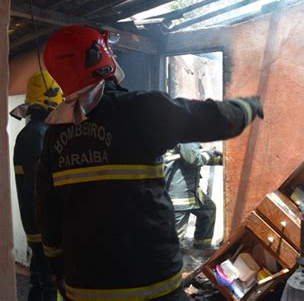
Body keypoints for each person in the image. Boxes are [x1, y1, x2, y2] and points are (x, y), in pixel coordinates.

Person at [35, 25, 264, 300]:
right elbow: (212, 118)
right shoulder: (139, 109)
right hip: (152, 284)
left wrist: (59, 270)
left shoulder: (54, 137)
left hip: (85, 289)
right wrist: (249, 106)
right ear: (100, 57)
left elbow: (48, 214)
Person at [10, 70, 62, 301]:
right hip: (43, 227)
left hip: (37, 225)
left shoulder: (31, 133)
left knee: (40, 281)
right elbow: (42, 187)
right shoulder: (37, 135)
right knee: (49, 285)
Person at [164, 143, 222, 249]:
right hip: (179, 193)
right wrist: (209, 153)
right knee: (175, 236)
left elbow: (194, 156)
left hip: (191, 189)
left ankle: (200, 252)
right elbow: (193, 159)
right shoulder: (186, 130)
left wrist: (220, 159)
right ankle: (166, 261)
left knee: (208, 210)